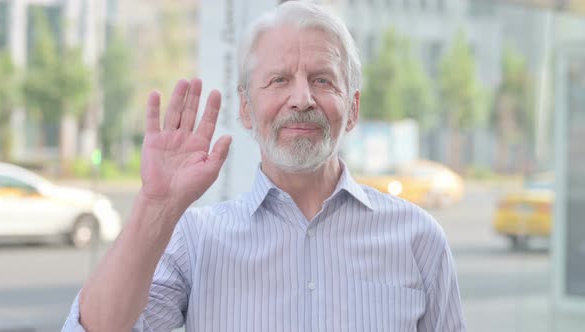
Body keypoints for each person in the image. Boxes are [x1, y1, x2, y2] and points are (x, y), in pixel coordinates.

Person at [63, 1, 465, 331]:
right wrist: (156, 204)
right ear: (246, 109)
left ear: (354, 108)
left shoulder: (418, 240)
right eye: (278, 80)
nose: (302, 98)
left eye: (323, 80)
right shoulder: (197, 241)